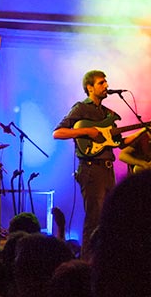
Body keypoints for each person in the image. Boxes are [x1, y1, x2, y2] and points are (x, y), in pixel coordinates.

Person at [52, 70, 144, 261]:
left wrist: (145, 130)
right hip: (91, 169)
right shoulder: (81, 108)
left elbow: (121, 143)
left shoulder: (108, 114)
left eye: (106, 82)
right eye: (101, 83)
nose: (106, 86)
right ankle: (86, 264)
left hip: (108, 169)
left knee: (110, 218)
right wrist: (88, 131)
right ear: (90, 87)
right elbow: (58, 133)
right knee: (94, 219)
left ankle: (106, 260)